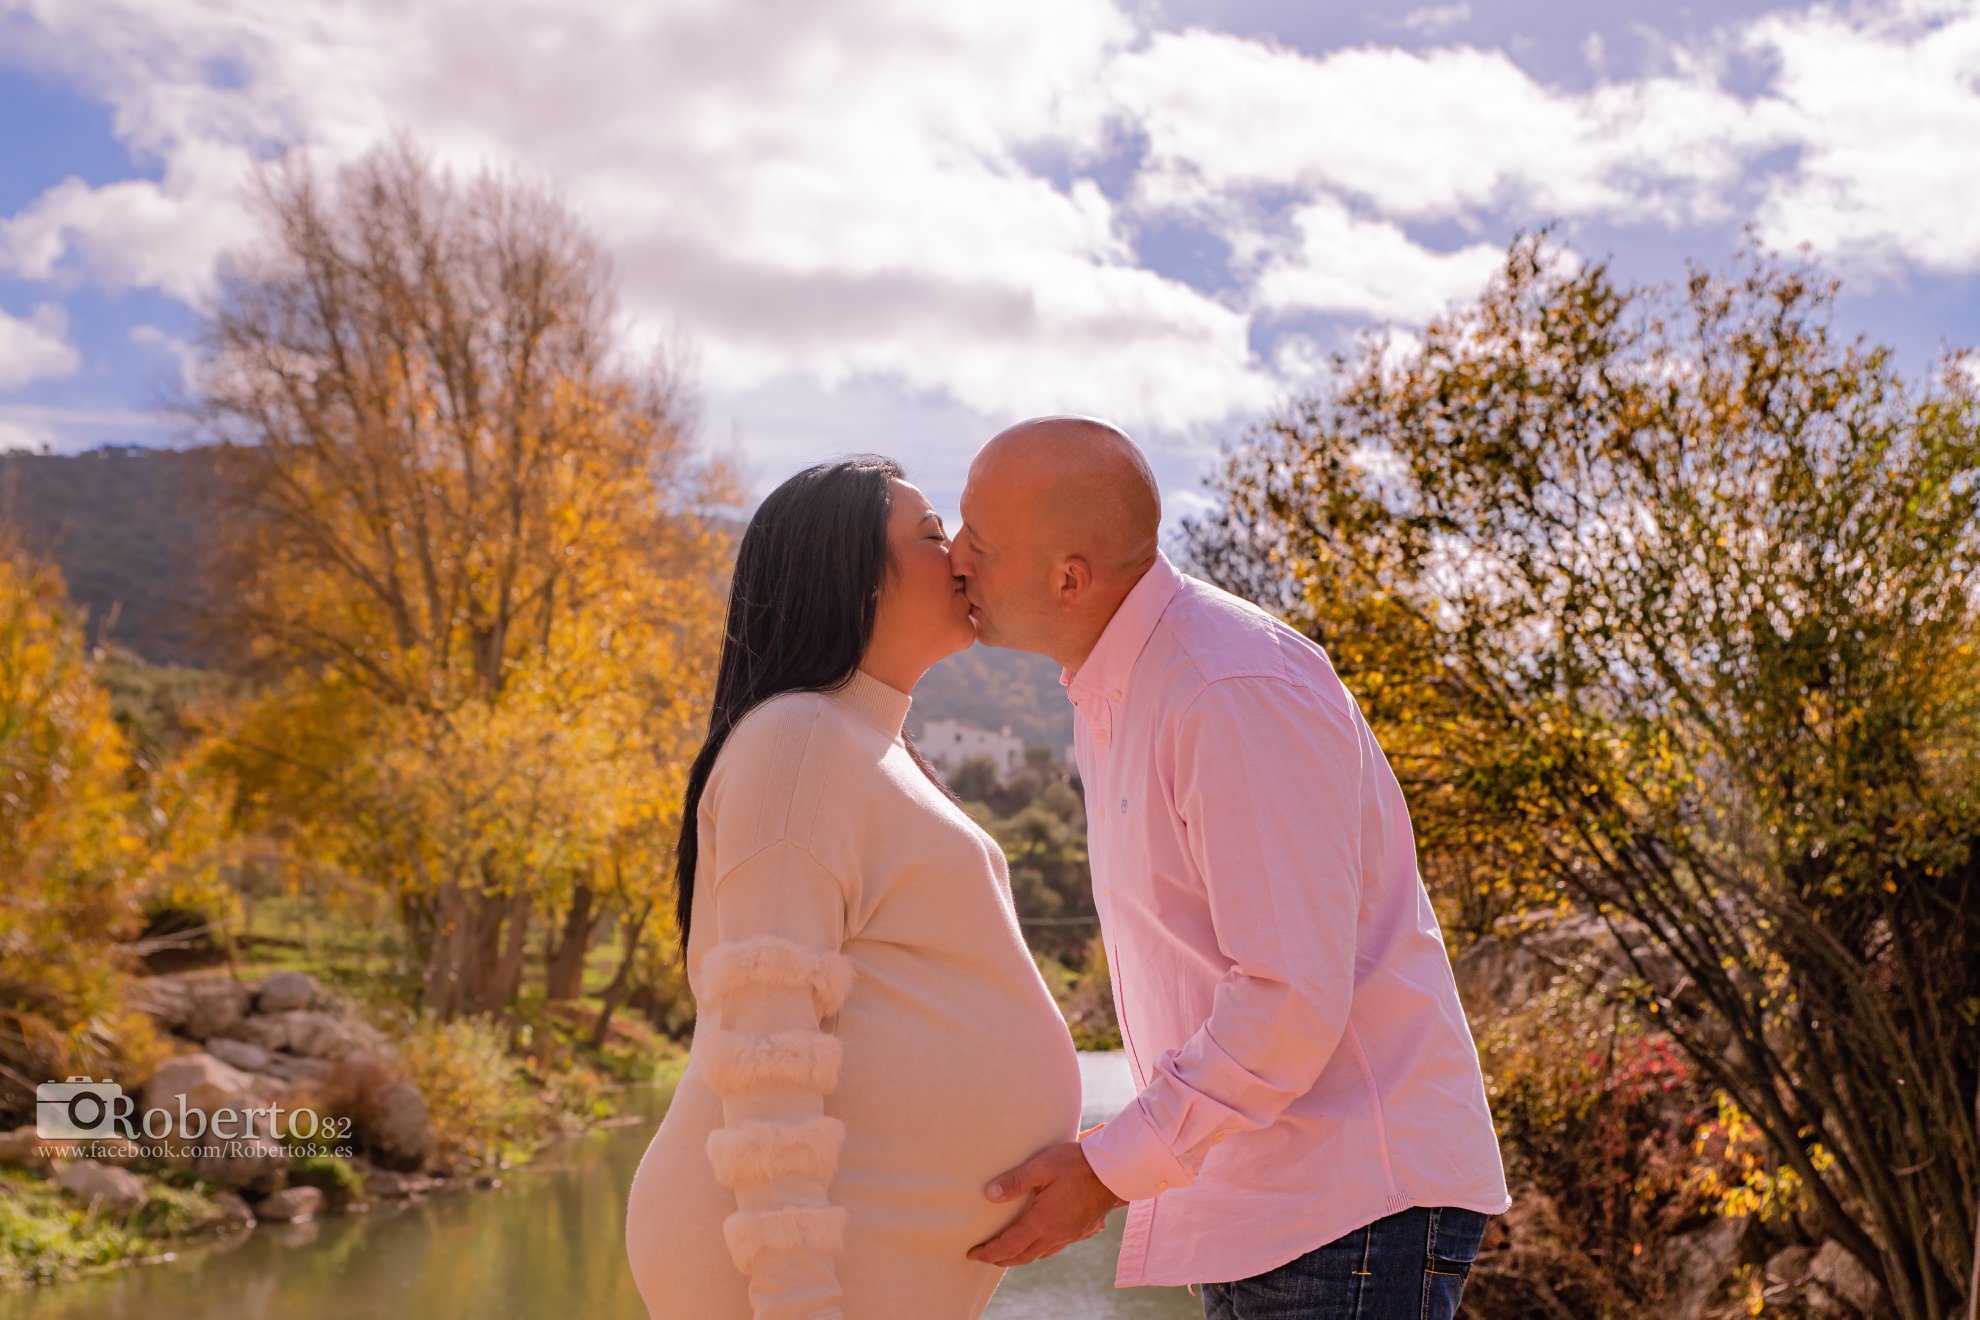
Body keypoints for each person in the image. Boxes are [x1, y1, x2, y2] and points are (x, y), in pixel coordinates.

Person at [951, 417, 1511, 1320]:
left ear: (1069, 579)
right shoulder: (1124, 690)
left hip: (1347, 1213)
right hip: (1279, 1212)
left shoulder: (1224, 686)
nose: (956, 560)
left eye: (977, 541)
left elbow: (1288, 997)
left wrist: (1107, 1170)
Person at [623, 456, 1085, 1319]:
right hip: (792, 1269)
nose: (961, 557)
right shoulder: (800, 739)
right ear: (853, 576)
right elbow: (767, 1041)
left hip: (870, 1251)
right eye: (932, 536)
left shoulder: (863, 741)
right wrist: (795, 1295)